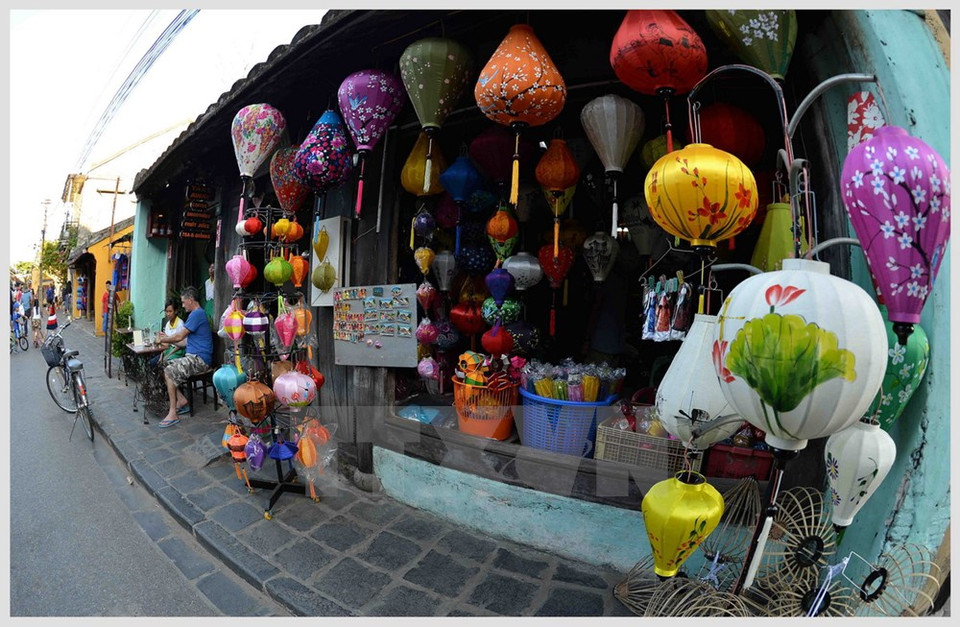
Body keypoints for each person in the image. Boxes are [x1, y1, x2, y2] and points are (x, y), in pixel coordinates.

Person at [156, 286, 214, 428]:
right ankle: (181, 400)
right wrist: (168, 339)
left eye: (183, 302)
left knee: (169, 371)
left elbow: (180, 335)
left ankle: (172, 412)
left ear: (190, 300)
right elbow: (184, 341)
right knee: (164, 365)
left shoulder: (197, 314)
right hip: (194, 356)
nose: (182, 305)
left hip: (199, 359)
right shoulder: (196, 315)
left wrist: (162, 340)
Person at [149, 300, 186, 367]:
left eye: (170, 311)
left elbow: (181, 345)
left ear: (176, 311)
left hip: (177, 351)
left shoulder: (180, 324)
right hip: (168, 350)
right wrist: (161, 356)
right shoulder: (168, 324)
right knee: (152, 362)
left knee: (165, 364)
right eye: (167, 311)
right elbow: (167, 344)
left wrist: (168, 356)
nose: (168, 314)